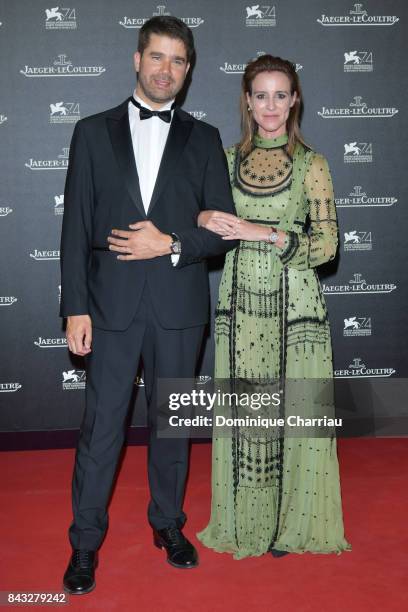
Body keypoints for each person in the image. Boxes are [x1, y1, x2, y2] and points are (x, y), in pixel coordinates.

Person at [60, 16, 237, 594]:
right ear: (137, 60)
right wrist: (75, 308)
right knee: (102, 429)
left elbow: (222, 228)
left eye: (178, 61)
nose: (166, 70)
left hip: (179, 308)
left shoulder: (205, 138)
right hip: (108, 308)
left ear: (188, 71)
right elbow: (75, 228)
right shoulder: (91, 132)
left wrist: (173, 243)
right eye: (157, 57)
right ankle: (85, 542)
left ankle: (169, 524)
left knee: (172, 428)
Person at [196, 54, 351, 559]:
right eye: (260, 94)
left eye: (280, 94)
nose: (270, 105)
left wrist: (259, 231)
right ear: (247, 100)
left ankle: (291, 525)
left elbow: (327, 247)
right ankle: (247, 521)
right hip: (240, 306)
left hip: (297, 307)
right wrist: (203, 216)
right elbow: (202, 219)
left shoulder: (314, 164)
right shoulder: (223, 160)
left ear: (295, 99)